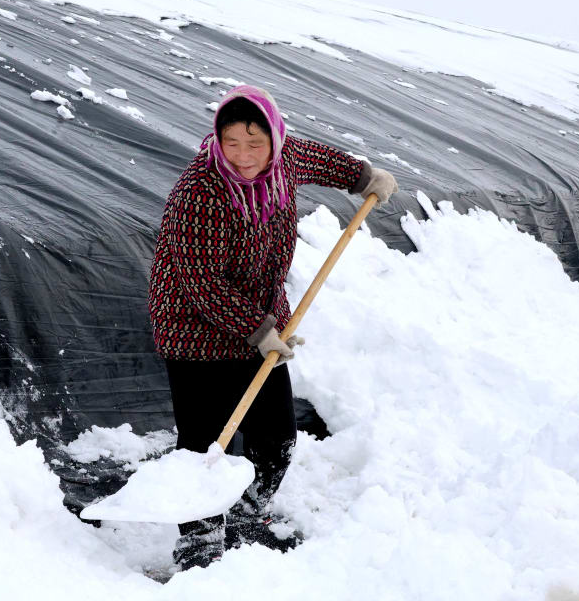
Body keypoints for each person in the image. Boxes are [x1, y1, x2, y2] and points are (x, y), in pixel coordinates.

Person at [148, 85, 398, 570]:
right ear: (217, 139)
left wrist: (366, 176)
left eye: (254, 143)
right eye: (231, 143)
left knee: (278, 435)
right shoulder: (199, 191)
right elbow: (200, 280)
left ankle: (249, 512)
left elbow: (322, 160)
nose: (242, 156)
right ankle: (199, 544)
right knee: (204, 442)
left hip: (258, 319)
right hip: (194, 327)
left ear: (273, 140)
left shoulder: (284, 161)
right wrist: (257, 329)